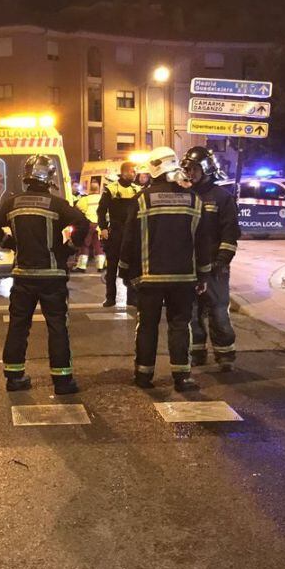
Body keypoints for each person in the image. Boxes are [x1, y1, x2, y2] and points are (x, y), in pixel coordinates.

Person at [0, 155, 90, 395]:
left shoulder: (12, 204)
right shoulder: (57, 204)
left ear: (27, 176)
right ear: (50, 178)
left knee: (18, 326)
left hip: (23, 276)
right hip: (52, 276)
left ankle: (14, 377)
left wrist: (10, 243)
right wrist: (68, 249)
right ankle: (63, 381)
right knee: (57, 326)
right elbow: (83, 223)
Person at [119, 147, 215, 392]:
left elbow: (129, 239)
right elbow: (203, 241)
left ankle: (143, 375)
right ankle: (182, 377)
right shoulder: (194, 199)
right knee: (180, 325)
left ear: (152, 170)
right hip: (184, 278)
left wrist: (125, 271)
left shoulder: (142, 199)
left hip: (150, 278)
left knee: (147, 326)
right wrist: (204, 274)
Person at [181, 146, 241, 370]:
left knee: (217, 310)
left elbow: (230, 233)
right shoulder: (185, 196)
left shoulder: (221, 198)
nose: (190, 173)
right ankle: (197, 352)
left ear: (205, 168)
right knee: (192, 312)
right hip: (190, 266)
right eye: (187, 169)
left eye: (194, 169)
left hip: (215, 267)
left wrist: (222, 260)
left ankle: (225, 355)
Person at [98, 161, 141, 308]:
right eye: (132, 171)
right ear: (124, 172)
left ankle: (132, 297)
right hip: (116, 232)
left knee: (132, 264)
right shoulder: (111, 189)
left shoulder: (137, 190)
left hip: (131, 232)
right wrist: (103, 228)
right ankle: (110, 298)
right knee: (112, 267)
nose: (134, 174)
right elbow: (101, 210)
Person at [74, 180, 105, 272]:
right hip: (99, 224)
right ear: (99, 189)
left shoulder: (85, 199)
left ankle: (81, 266)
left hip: (89, 224)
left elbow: (79, 209)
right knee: (98, 245)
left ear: (89, 189)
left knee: (85, 245)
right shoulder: (102, 198)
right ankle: (100, 266)